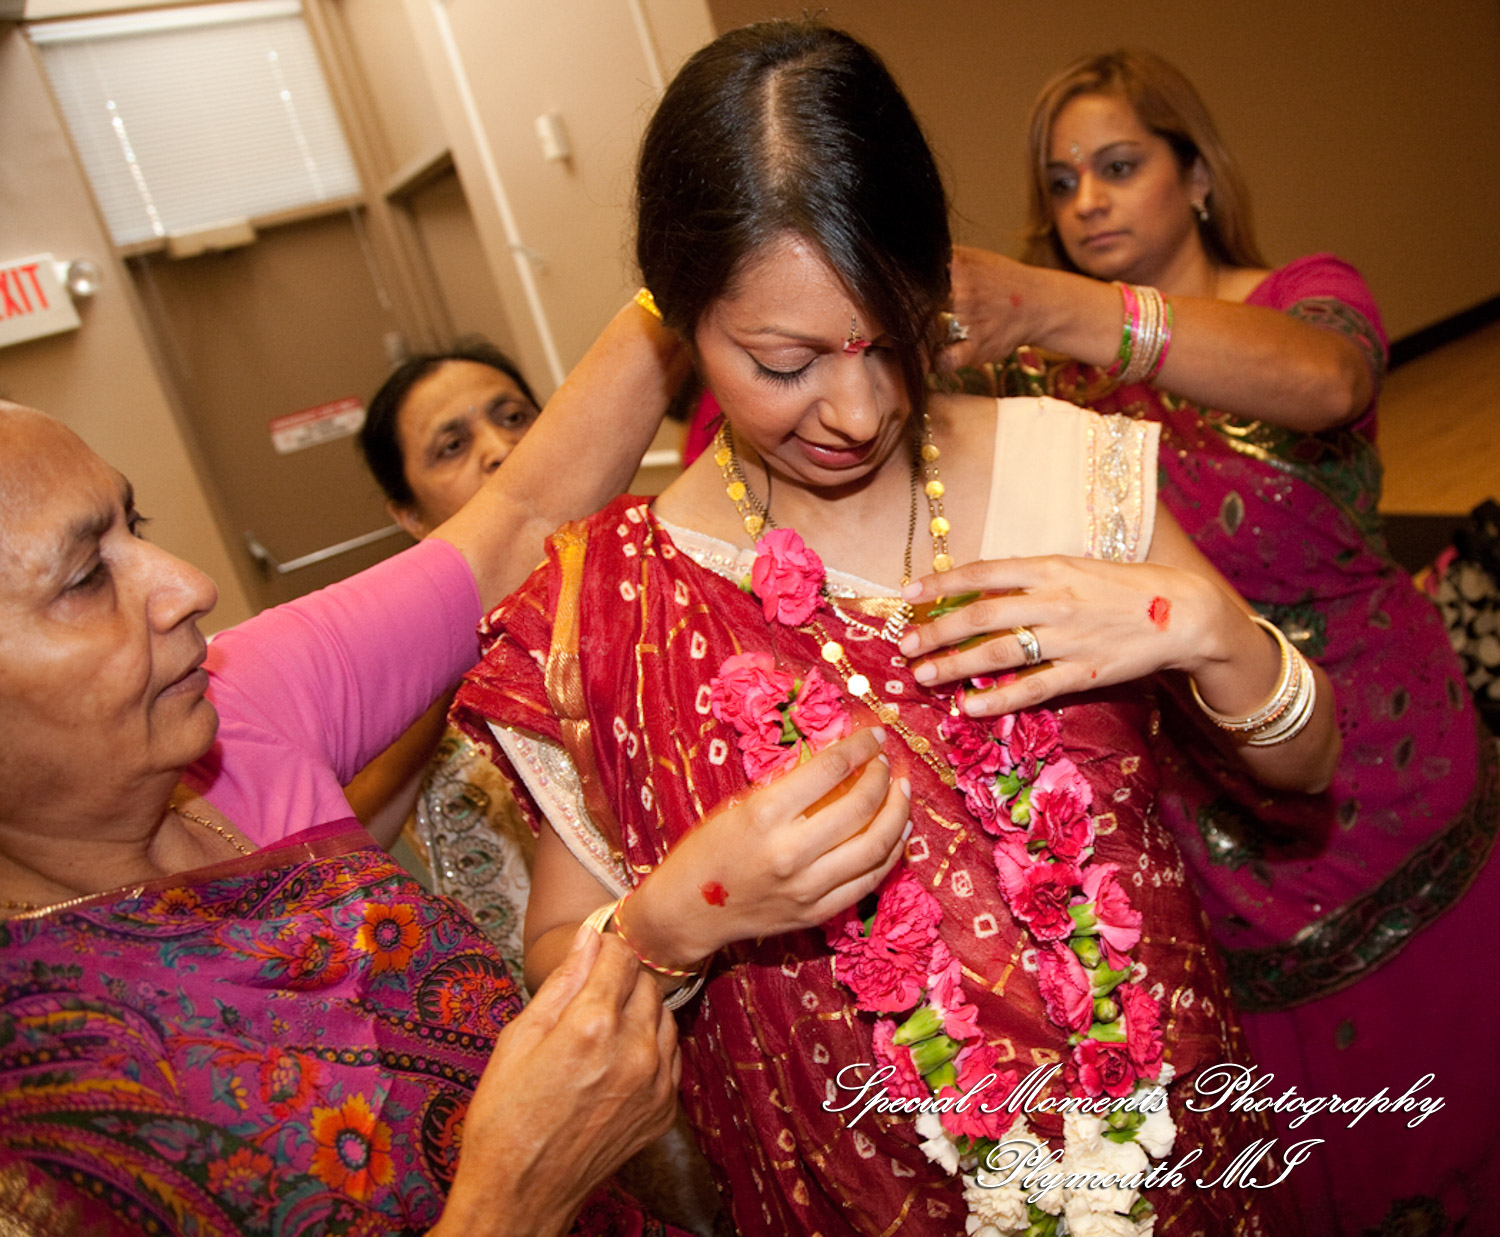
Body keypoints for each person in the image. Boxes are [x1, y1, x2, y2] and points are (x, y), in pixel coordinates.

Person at [454, 22, 1341, 1236]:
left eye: (893, 336)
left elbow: (1307, 764)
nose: (859, 409)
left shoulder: (1066, 466)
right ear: (682, 318)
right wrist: (696, 904)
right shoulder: (615, 606)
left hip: (1180, 1154)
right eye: (786, 362)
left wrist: (1203, 625)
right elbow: (563, 954)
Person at [935, 48, 1500, 1234]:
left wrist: (1054, 305)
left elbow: (1328, 382)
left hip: (1390, 766)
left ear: (1197, 176)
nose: (1087, 201)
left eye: (1118, 165)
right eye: (1062, 182)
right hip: (1214, 819)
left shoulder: (1303, 299)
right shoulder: (1040, 387)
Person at [0, 295, 696, 1237]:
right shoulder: (33, 1090)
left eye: (139, 524)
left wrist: (684, 269)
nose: (190, 586)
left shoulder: (232, 707)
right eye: (87, 578)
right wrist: (515, 1196)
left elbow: (520, 517)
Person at [348, 340, 547, 975]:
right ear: (409, 513)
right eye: (452, 446)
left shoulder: (652, 570)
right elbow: (345, 844)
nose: (501, 449)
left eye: (514, 417)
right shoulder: (403, 666)